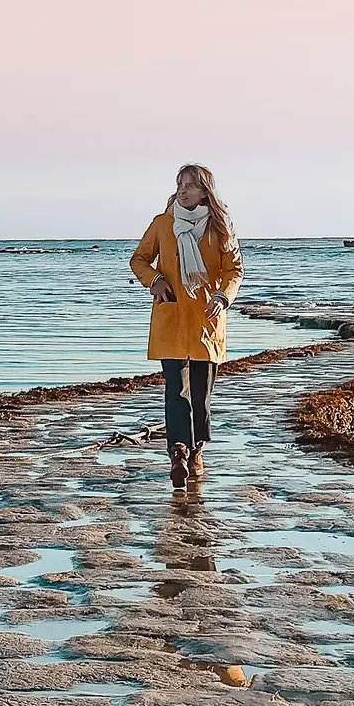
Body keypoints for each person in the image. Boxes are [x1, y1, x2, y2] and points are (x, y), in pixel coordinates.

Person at [129, 164, 244, 487]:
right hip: (171, 315)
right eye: (180, 184)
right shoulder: (163, 224)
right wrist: (154, 280)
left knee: (200, 396)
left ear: (205, 192)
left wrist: (223, 297)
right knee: (174, 391)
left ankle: (196, 450)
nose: (183, 190)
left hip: (207, 318)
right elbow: (139, 259)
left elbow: (234, 269)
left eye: (191, 185)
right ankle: (178, 451)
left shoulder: (220, 228)